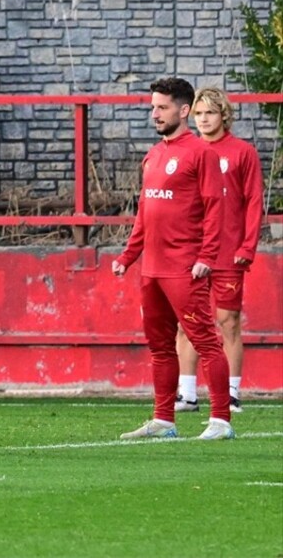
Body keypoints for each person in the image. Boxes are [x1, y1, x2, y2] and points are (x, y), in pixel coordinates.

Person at [113, 76, 234, 441]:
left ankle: (221, 421)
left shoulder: (202, 153)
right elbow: (144, 214)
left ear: (184, 110)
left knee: (205, 341)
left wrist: (207, 256)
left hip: (186, 266)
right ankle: (164, 420)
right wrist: (128, 255)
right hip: (152, 268)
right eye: (153, 107)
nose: (155, 113)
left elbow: (216, 209)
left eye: (162, 107)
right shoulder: (154, 155)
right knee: (160, 345)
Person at [173, 86, 263, 415]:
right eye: (198, 113)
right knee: (187, 322)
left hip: (228, 251)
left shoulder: (242, 153)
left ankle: (232, 394)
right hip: (191, 252)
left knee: (229, 321)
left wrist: (247, 245)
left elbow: (254, 202)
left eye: (210, 112)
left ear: (223, 114)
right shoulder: (186, 152)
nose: (204, 119)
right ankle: (187, 394)